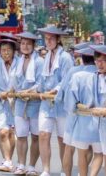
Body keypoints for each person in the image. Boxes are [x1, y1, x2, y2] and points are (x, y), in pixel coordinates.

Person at [65, 45, 106, 176]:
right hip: (97, 118)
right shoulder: (95, 77)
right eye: (97, 61)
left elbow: (69, 102)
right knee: (101, 153)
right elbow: (92, 101)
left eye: (103, 61)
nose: (99, 64)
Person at [36, 25, 73, 176]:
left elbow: (67, 80)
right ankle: (45, 169)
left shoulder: (65, 57)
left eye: (51, 38)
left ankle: (65, 170)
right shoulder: (47, 56)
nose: (48, 41)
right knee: (43, 135)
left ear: (58, 40)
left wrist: (54, 90)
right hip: (46, 102)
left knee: (62, 139)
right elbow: (42, 81)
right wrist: (34, 90)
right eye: (46, 38)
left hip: (61, 103)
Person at [0, 36, 20, 172]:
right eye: (3, 50)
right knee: (3, 132)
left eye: (8, 50)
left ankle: (8, 159)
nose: (5, 53)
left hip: (16, 102)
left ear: (13, 51)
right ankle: (7, 160)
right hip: (1, 101)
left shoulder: (19, 62)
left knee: (11, 133)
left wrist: (13, 92)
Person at [13, 32, 42, 175]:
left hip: (35, 103)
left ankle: (32, 166)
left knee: (36, 136)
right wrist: (15, 91)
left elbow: (41, 83)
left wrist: (29, 92)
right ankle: (21, 164)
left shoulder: (39, 61)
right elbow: (14, 81)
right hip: (20, 102)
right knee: (21, 135)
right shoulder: (17, 60)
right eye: (23, 43)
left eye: (28, 44)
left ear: (33, 46)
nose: (25, 46)